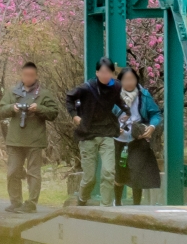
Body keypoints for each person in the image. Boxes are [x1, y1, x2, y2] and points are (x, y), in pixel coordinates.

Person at [3, 60, 60, 215]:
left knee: (33, 173)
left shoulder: (43, 94)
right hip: (15, 139)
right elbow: (1, 110)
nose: (28, 78)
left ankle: (31, 203)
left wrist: (39, 108)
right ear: (21, 75)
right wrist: (12, 108)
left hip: (35, 139)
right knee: (13, 171)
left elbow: (54, 113)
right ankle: (15, 202)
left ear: (36, 76)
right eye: (26, 75)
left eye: (31, 75)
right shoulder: (12, 92)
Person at [66, 57, 122, 207]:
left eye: (108, 72)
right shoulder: (86, 88)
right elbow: (69, 98)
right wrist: (75, 116)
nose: (105, 75)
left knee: (108, 172)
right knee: (90, 177)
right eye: (102, 72)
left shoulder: (116, 87)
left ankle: (106, 207)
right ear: (97, 72)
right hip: (88, 134)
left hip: (107, 134)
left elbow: (122, 102)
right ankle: (82, 199)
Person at [113, 65, 163, 206]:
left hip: (138, 138)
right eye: (126, 80)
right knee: (120, 173)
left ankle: (136, 206)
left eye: (132, 79)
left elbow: (155, 113)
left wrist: (152, 126)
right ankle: (117, 202)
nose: (129, 83)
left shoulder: (144, 94)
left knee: (137, 171)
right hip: (119, 140)